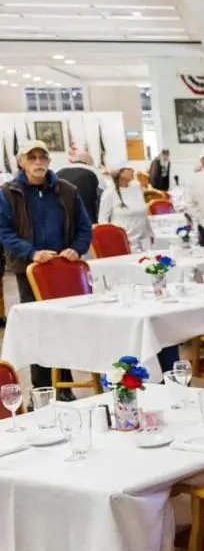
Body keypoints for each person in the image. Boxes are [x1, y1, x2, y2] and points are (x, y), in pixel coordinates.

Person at [0, 140, 94, 389]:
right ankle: (43, 389)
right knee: (38, 330)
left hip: (63, 270)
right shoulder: (8, 192)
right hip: (29, 271)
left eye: (43, 157)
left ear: (49, 161)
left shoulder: (67, 190)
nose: (38, 162)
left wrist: (77, 248)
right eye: (32, 158)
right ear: (21, 162)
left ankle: (64, 388)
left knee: (64, 328)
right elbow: (4, 231)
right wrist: (31, 252)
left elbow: (85, 227)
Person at [96, 164, 152, 251]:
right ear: (120, 173)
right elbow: (103, 221)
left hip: (144, 241)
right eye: (129, 169)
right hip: (126, 243)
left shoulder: (137, 188)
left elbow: (143, 215)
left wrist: (150, 233)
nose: (133, 171)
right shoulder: (109, 193)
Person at [57, 151, 102, 224]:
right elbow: (104, 192)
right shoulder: (93, 171)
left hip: (61, 216)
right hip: (86, 216)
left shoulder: (59, 171)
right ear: (88, 161)